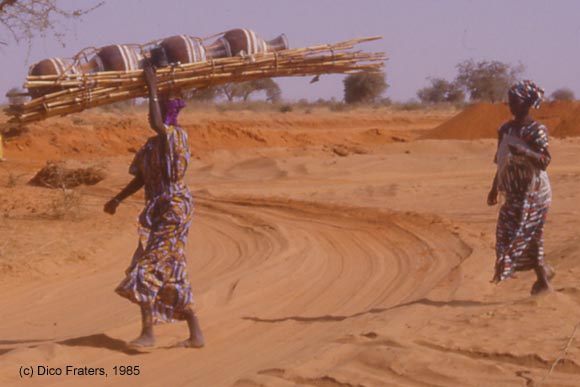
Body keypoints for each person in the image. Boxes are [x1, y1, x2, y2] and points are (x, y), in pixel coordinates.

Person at [103, 60, 204, 348]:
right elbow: (142, 179)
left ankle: (148, 333)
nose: (153, 112)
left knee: (145, 268)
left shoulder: (176, 137)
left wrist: (151, 85)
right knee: (171, 267)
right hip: (158, 210)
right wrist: (118, 199)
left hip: (175, 209)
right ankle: (196, 333)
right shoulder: (150, 145)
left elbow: (158, 123)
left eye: (158, 104)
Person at [487, 80, 553, 295]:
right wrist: (494, 188)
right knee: (508, 233)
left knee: (525, 231)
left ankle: (543, 280)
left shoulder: (537, 130)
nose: (511, 105)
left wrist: (525, 153)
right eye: (510, 100)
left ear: (527, 103)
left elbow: (544, 161)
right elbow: (501, 160)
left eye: (515, 101)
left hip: (534, 191)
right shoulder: (505, 129)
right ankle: (544, 273)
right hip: (513, 191)